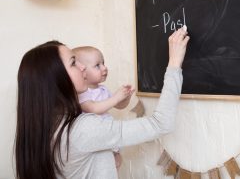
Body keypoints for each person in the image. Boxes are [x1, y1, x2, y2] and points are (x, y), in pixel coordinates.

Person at [15, 27, 189, 179]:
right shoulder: (81, 129)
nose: (82, 67)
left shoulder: (44, 125)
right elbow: (161, 124)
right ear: (55, 79)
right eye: (74, 63)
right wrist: (174, 65)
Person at [72, 46, 135, 169]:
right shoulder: (81, 93)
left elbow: (118, 106)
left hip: (107, 135)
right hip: (93, 138)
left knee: (112, 164)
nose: (104, 68)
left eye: (103, 63)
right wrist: (116, 97)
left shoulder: (103, 89)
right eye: (97, 65)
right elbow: (93, 108)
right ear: (82, 71)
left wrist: (125, 98)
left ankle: (114, 155)